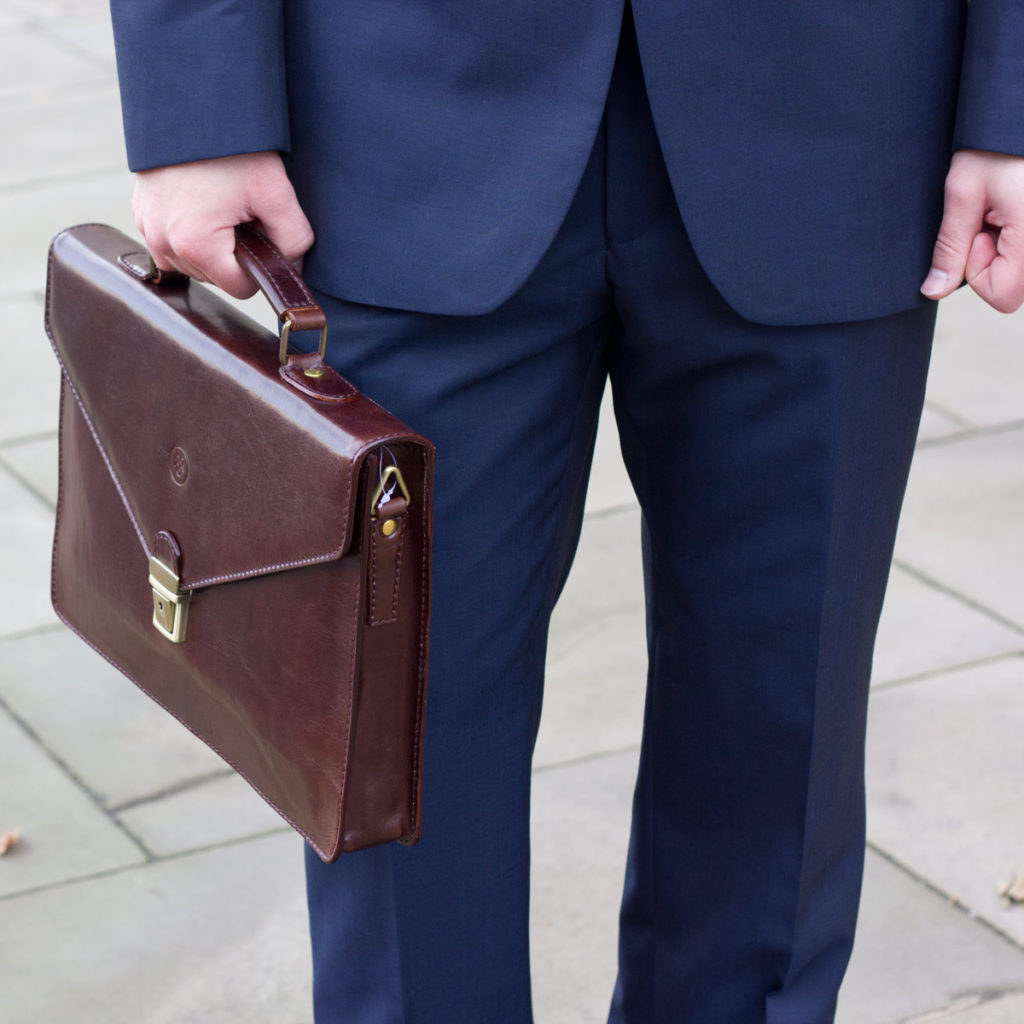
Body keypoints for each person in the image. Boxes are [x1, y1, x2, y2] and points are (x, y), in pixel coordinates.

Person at [107, 2, 1024, 1021]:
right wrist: (195, 101)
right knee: (400, 762)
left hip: (842, 118)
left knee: (777, 745)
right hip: (393, 117)